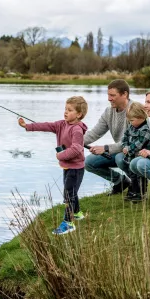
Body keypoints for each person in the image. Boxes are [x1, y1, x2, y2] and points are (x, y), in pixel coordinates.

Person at [18, 96, 88, 235]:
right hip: (67, 166)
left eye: (69, 110)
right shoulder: (61, 124)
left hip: (76, 168)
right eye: (65, 109)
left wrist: (60, 155)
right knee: (71, 191)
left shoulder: (77, 130)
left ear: (79, 114)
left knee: (69, 194)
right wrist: (27, 126)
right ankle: (78, 213)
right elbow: (46, 125)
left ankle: (68, 223)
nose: (65, 112)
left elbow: (77, 149)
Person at [84, 79, 133, 195]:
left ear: (124, 94)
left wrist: (105, 148)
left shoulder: (135, 110)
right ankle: (120, 181)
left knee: (120, 158)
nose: (109, 99)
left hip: (136, 152)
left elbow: (131, 143)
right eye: (108, 95)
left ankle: (137, 184)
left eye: (112, 95)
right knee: (89, 162)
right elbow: (95, 133)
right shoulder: (109, 112)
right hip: (120, 150)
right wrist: (73, 140)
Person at [119, 102, 150, 203]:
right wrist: (124, 146)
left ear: (140, 117)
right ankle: (134, 192)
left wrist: (128, 149)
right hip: (130, 158)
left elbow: (138, 144)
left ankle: (142, 194)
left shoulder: (145, 130)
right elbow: (124, 137)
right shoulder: (131, 127)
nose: (130, 122)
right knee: (132, 175)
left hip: (140, 158)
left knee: (140, 177)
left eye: (132, 120)